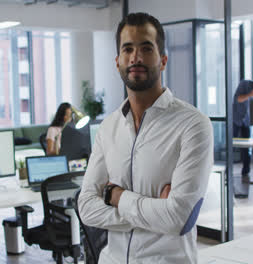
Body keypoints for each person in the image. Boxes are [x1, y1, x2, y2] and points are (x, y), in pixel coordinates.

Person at [78, 12, 213, 263]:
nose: (136, 57)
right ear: (117, 61)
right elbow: (86, 208)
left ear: (162, 60)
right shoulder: (108, 127)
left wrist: (116, 197)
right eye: (127, 49)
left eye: (146, 48)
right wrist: (153, 212)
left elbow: (179, 218)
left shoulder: (193, 125)